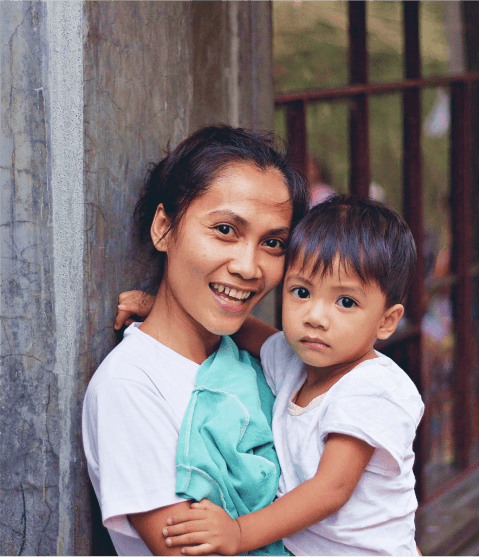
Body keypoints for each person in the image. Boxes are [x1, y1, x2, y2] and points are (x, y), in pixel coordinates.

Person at [119, 196, 424, 556]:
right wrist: (162, 307)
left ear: (387, 321)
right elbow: (247, 332)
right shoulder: (297, 361)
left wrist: (238, 533)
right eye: (301, 292)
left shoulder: (372, 388)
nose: (315, 317)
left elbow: (330, 490)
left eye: (345, 302)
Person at [82, 125, 308, 556]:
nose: (249, 267)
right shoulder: (130, 388)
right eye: (225, 229)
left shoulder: (259, 359)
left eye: (273, 243)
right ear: (164, 228)